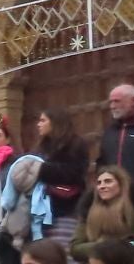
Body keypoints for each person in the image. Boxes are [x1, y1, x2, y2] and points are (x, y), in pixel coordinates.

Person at [70, 165, 134, 264]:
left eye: (108, 181)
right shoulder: (88, 210)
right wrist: (105, 247)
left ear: (121, 184)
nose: (102, 186)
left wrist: (119, 246)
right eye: (99, 183)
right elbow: (76, 248)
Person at [34, 109, 91, 254]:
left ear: (55, 123)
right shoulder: (42, 147)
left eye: (43, 120)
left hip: (66, 206)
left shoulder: (76, 145)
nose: (38, 125)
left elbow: (74, 173)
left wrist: (42, 169)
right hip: (42, 208)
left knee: (63, 249)